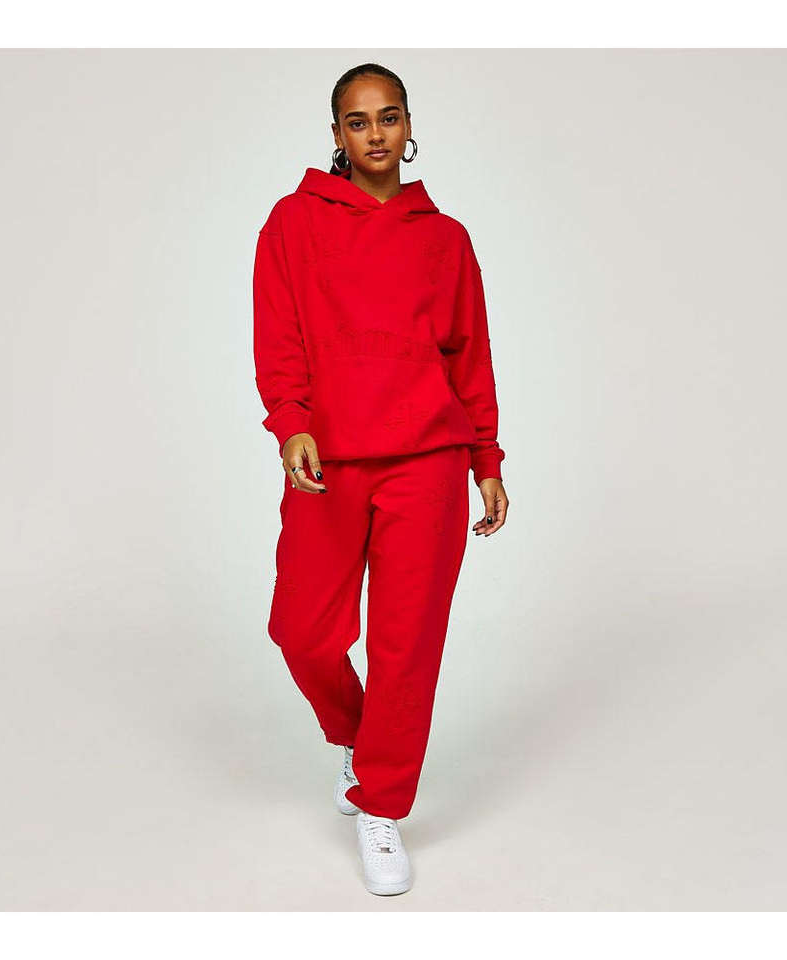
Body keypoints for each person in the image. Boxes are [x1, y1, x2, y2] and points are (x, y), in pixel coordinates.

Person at [252, 62, 509, 896]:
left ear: (408, 127)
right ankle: (363, 743)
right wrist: (291, 421)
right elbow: (279, 334)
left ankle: (381, 802)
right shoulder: (293, 222)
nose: (374, 134)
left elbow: (470, 355)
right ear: (336, 134)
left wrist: (486, 459)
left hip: (428, 460)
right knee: (302, 631)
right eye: (357, 121)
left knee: (407, 646)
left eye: (388, 117)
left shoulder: (446, 239)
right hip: (328, 459)